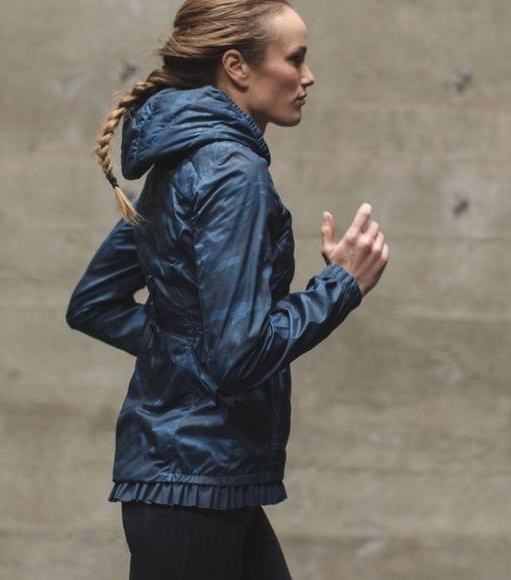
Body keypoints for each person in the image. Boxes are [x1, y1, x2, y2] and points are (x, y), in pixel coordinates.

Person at [66, 0, 389, 578]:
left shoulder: (182, 162)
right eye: (296, 59)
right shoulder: (234, 173)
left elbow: (95, 305)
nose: (308, 76)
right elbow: (238, 356)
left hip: (200, 481)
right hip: (193, 484)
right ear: (237, 66)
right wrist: (341, 285)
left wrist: (191, 355)